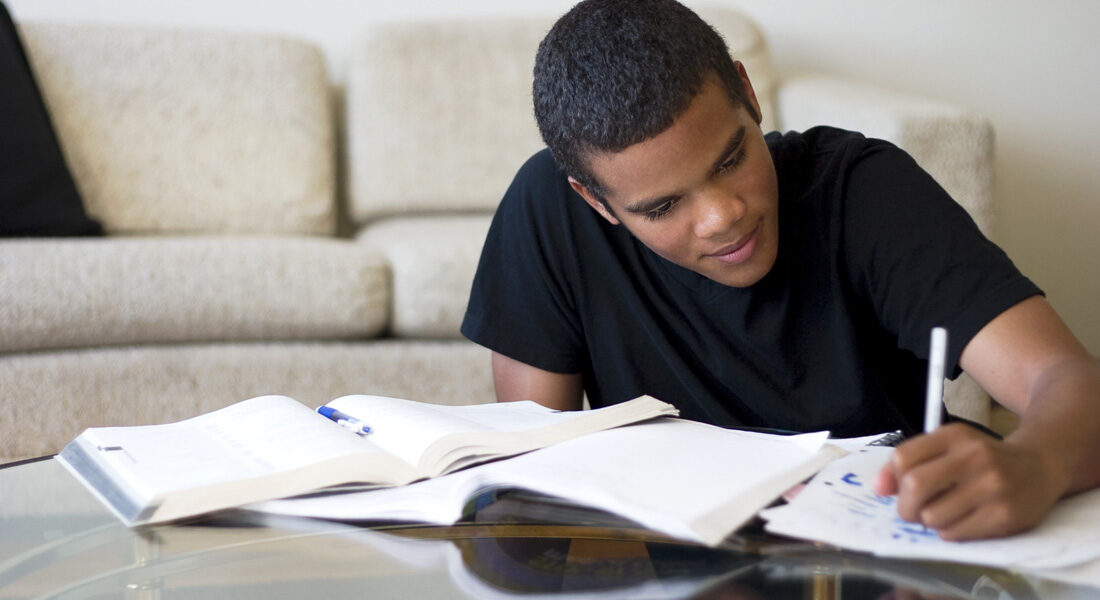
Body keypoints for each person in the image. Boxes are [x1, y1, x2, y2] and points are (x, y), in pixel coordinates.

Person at [460, 0, 1100, 541]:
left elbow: (1069, 381)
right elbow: (532, 480)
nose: (722, 218)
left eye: (730, 159)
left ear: (748, 93)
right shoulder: (548, 212)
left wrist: (1035, 463)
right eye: (662, 207)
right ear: (596, 201)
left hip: (887, 549)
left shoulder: (863, 191)